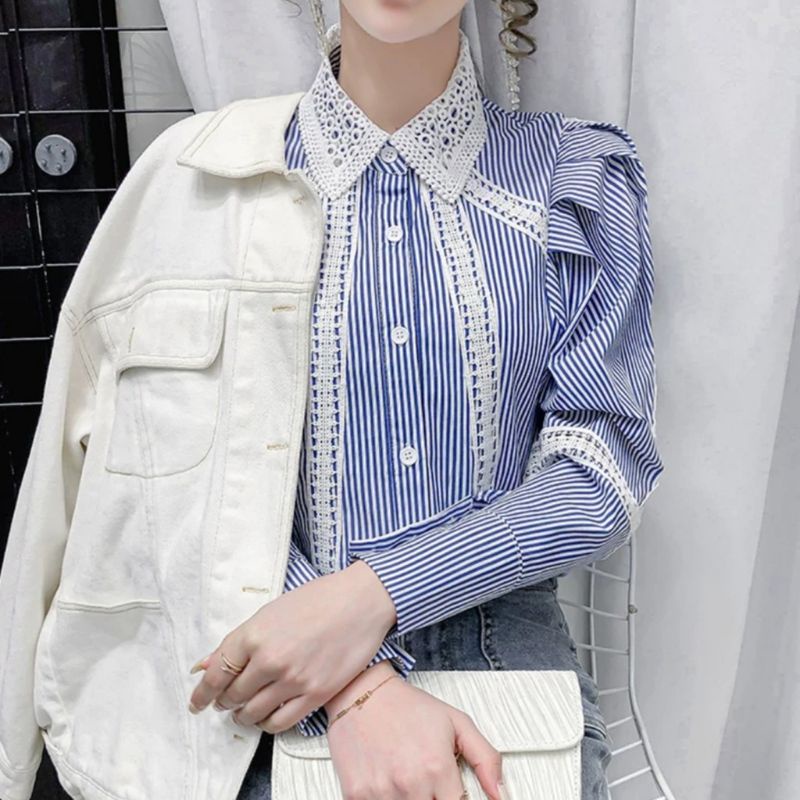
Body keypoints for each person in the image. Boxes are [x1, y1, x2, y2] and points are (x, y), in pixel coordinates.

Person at [0, 2, 663, 799]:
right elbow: (148, 470)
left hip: (504, 688)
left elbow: (599, 474)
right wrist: (358, 686)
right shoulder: (197, 175)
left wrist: (369, 599)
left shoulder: (574, 176)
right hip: (249, 682)